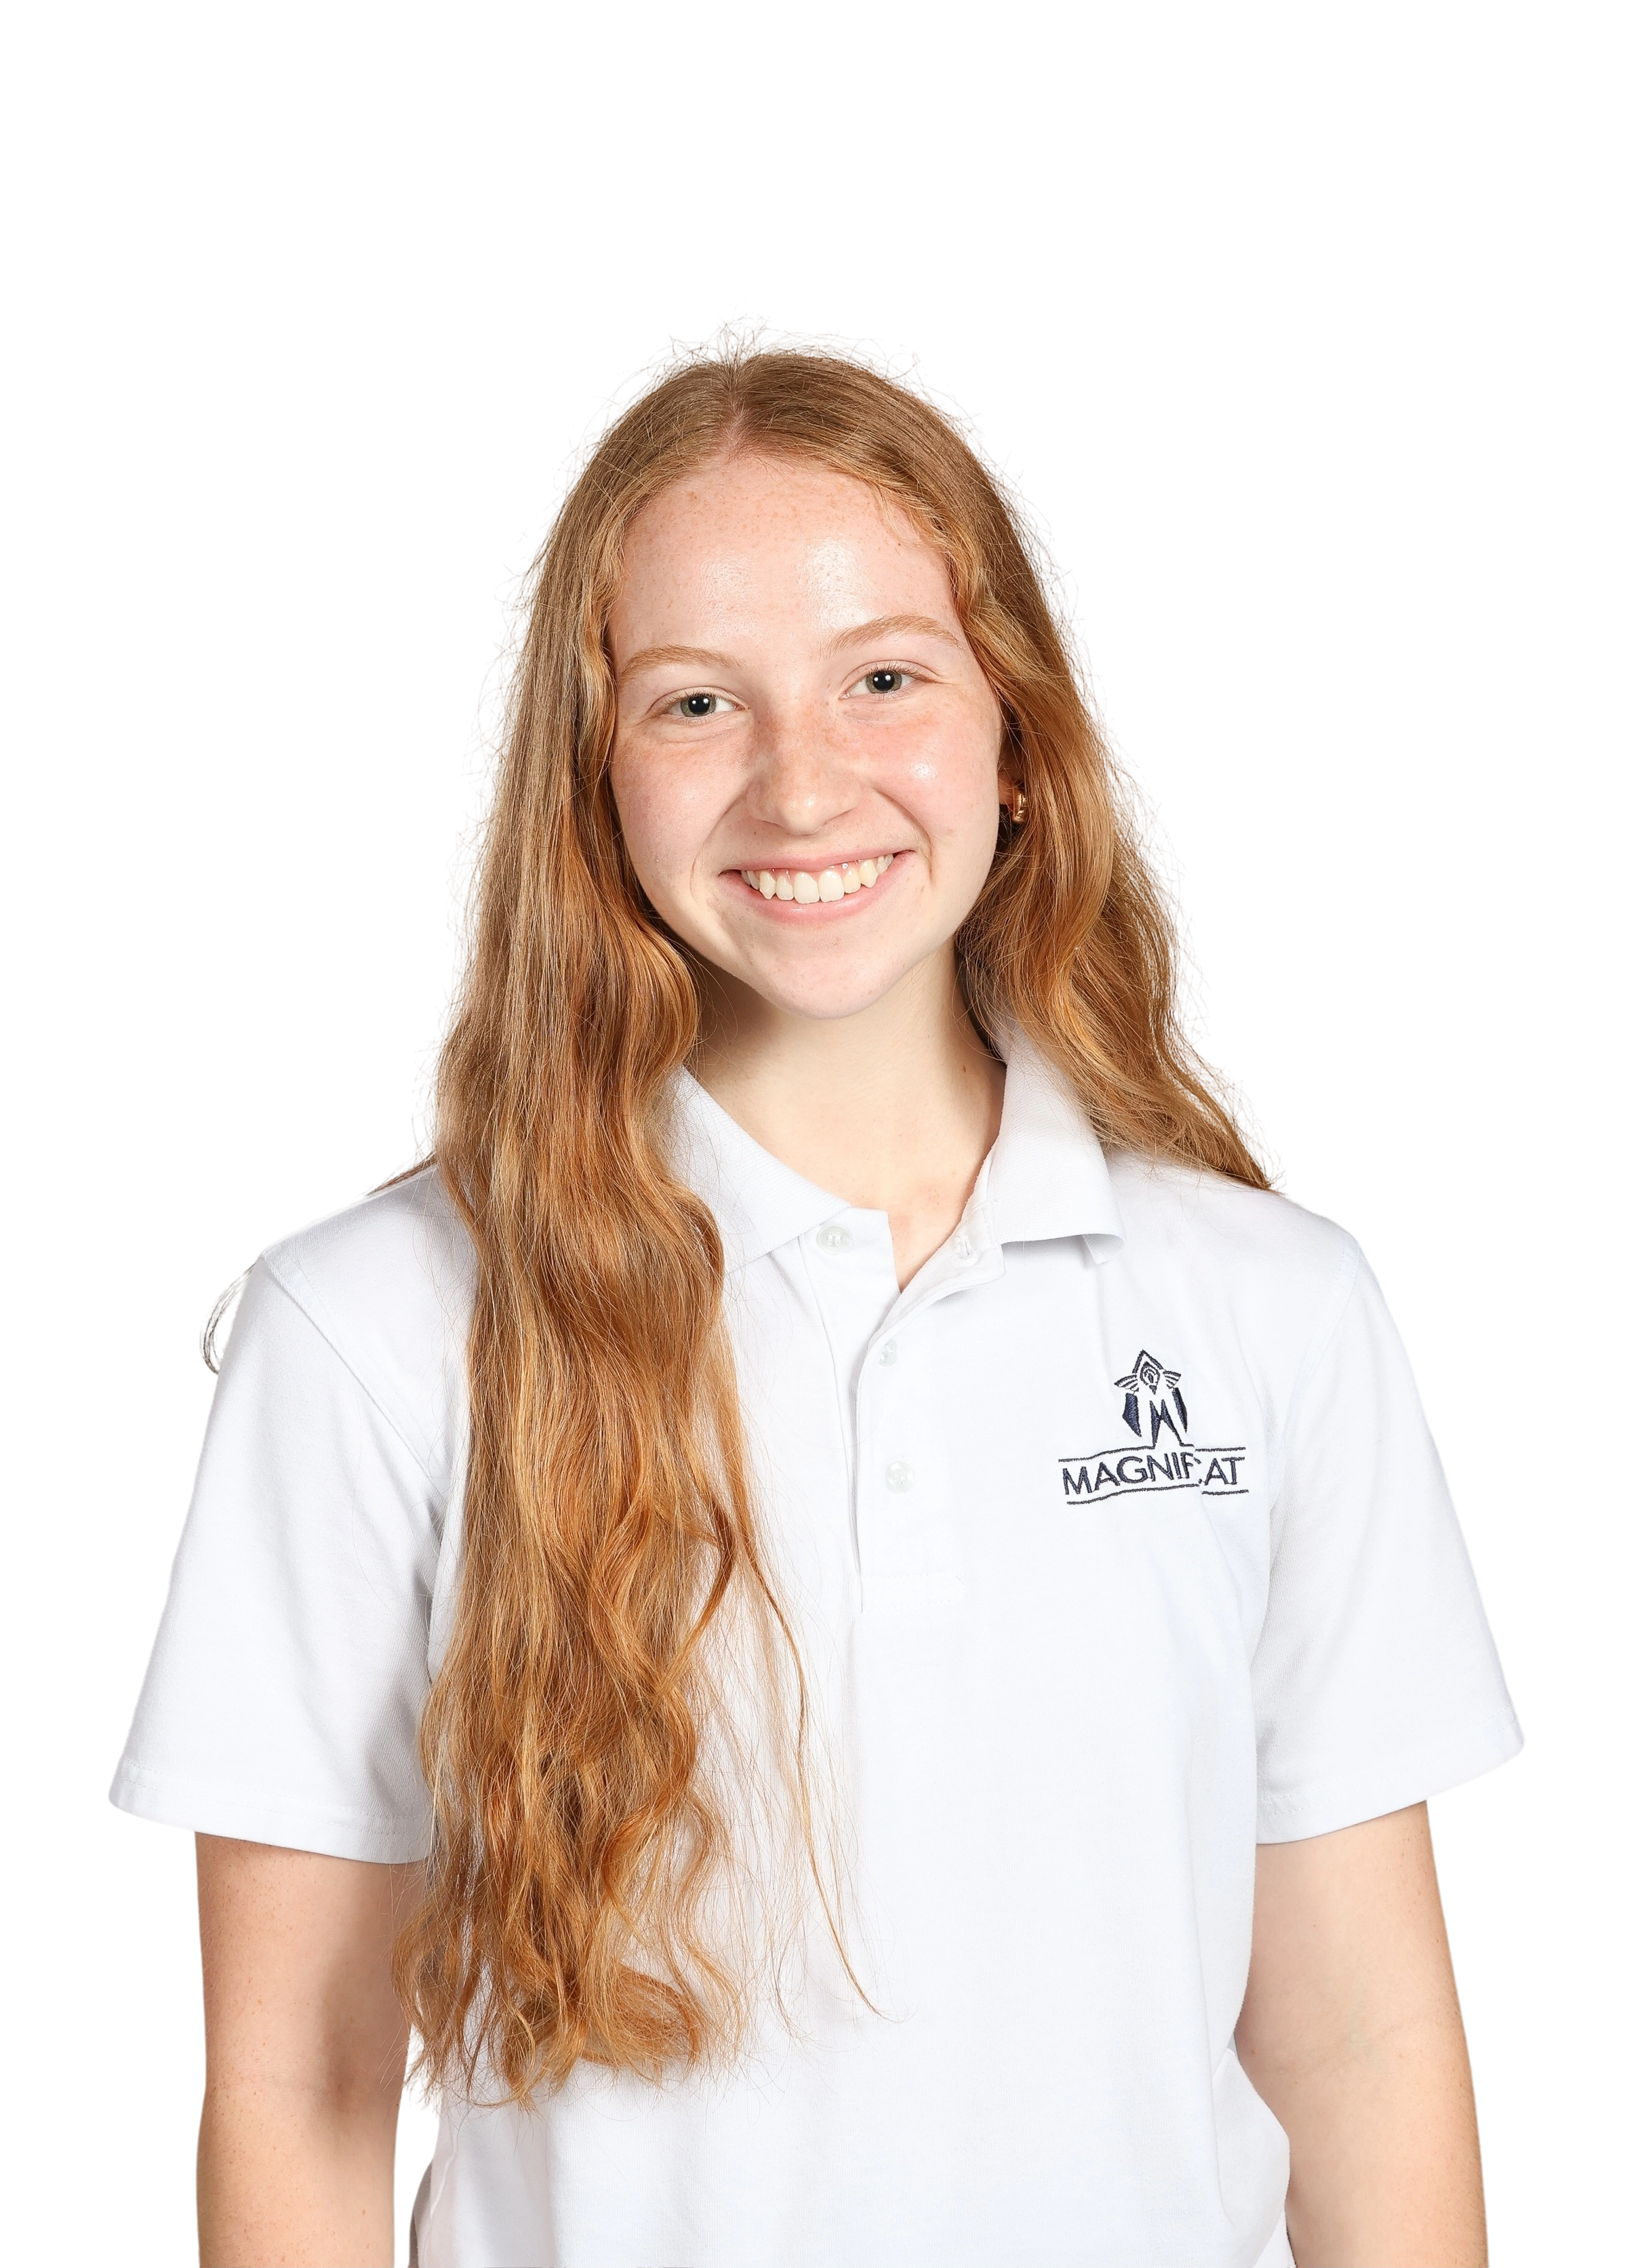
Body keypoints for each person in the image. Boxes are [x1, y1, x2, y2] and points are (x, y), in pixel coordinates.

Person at [107, 314, 1524, 2268]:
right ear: (589, 775)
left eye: (885, 677)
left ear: (1020, 734)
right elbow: (299, 2082)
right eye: (697, 702)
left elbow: (1358, 2045)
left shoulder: (1274, 1311)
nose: (802, 786)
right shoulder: (373, 1331)